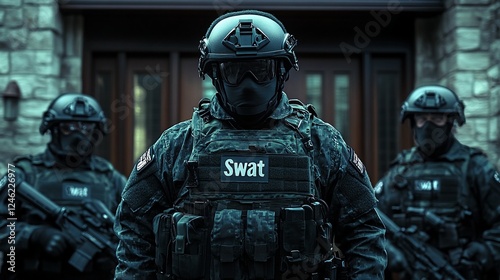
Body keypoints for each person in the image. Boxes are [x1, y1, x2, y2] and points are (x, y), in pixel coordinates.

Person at [114, 9, 387, 279]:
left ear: (281, 71)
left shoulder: (319, 141)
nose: (248, 83)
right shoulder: (178, 144)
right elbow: (133, 222)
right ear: (216, 74)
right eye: (234, 71)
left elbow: (364, 229)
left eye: (260, 70)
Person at [375, 85, 500, 279]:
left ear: (451, 122)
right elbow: (371, 219)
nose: (428, 126)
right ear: (413, 122)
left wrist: (486, 251)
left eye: (437, 119)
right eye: (422, 119)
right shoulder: (400, 170)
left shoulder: (476, 168)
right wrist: (389, 251)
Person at [0, 92, 127, 280]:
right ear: (53, 129)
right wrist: (35, 235)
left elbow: (135, 231)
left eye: (87, 127)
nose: (79, 133)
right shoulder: (24, 174)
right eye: (70, 127)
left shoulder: (111, 179)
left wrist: (115, 254)